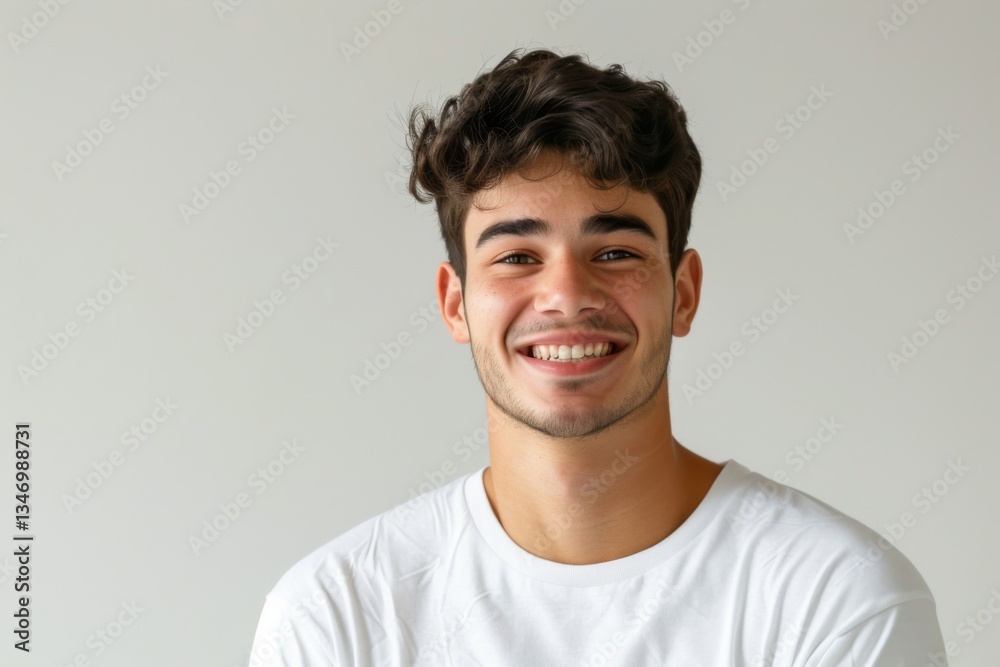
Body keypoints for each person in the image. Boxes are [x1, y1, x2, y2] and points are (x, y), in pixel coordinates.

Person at [249, 47, 947, 666]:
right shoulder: (336, 616)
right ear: (455, 304)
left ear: (683, 293)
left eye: (614, 252)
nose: (566, 295)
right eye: (517, 256)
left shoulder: (836, 598)